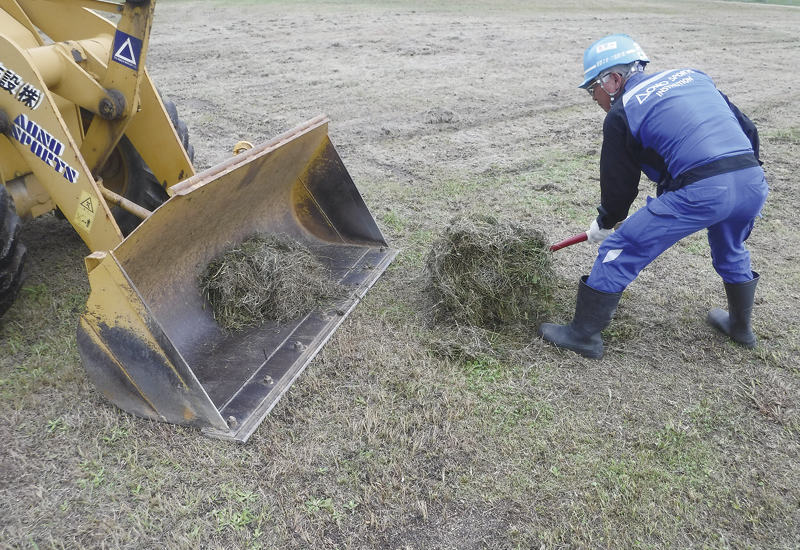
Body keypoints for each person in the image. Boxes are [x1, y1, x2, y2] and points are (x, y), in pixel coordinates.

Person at [538, 34, 769, 359]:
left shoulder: (622, 112)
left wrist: (606, 222)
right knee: (730, 249)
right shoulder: (695, 78)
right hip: (751, 180)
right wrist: (745, 181)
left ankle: (582, 335)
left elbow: (620, 187)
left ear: (614, 80)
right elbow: (747, 129)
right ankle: (741, 328)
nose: (594, 98)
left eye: (594, 89)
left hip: (703, 191)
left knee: (621, 248)